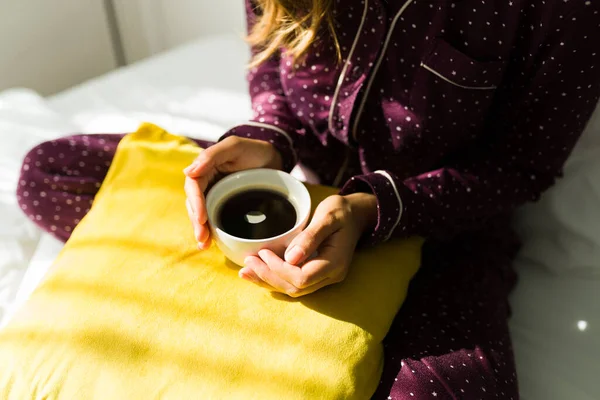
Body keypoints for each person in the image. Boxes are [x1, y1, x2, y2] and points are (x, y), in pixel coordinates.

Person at [17, 0, 600, 398]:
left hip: (438, 224)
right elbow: (272, 53)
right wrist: (266, 138)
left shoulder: (561, 10)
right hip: (296, 182)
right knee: (50, 174)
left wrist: (374, 210)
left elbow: (519, 168)